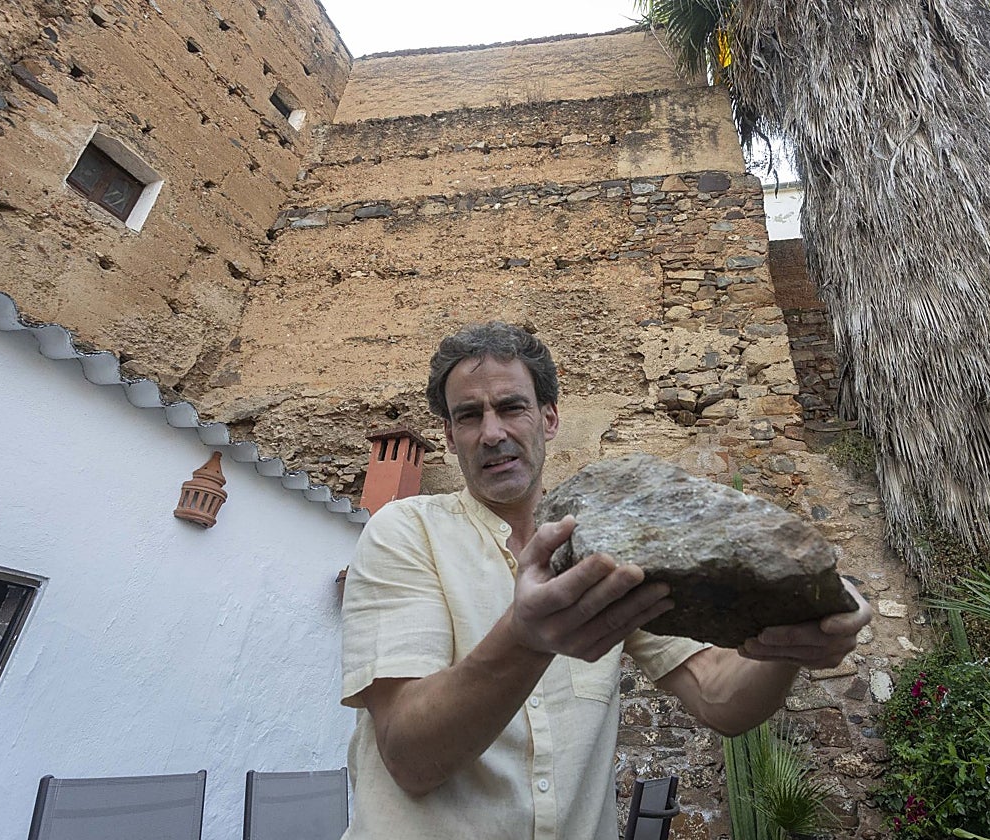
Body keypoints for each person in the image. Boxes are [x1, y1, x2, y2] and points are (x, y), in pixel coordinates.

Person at [339, 321, 871, 839]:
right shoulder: (405, 533)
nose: (492, 432)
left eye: (511, 407)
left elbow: (718, 696)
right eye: (469, 416)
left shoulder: (605, 545)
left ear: (548, 418)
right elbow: (409, 757)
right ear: (450, 437)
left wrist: (790, 641)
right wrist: (525, 640)